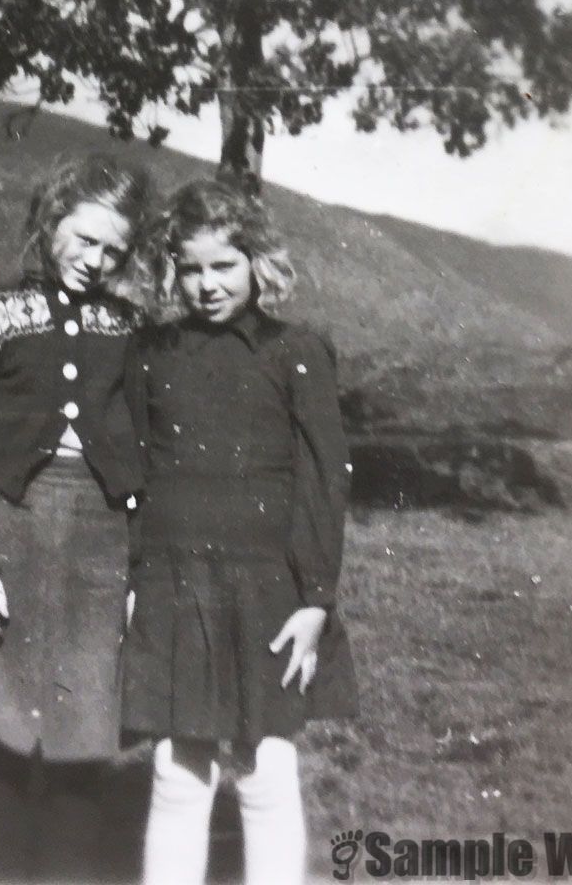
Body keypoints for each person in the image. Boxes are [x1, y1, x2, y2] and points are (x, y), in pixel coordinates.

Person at [123, 178, 358, 885]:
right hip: (171, 578)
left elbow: (325, 478)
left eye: (223, 265)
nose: (206, 284)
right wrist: (132, 579)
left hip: (267, 588)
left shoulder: (298, 351)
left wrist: (315, 598)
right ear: (172, 271)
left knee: (265, 766)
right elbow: (132, 470)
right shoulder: (149, 352)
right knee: (177, 770)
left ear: (258, 262)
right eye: (190, 269)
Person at [0, 153, 154, 883]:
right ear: (51, 222)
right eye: (84, 240)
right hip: (8, 540)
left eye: (114, 250)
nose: (97, 261)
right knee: (1, 743)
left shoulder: (130, 329)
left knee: (81, 750)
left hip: (100, 545)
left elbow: (147, 459)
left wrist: (136, 574)